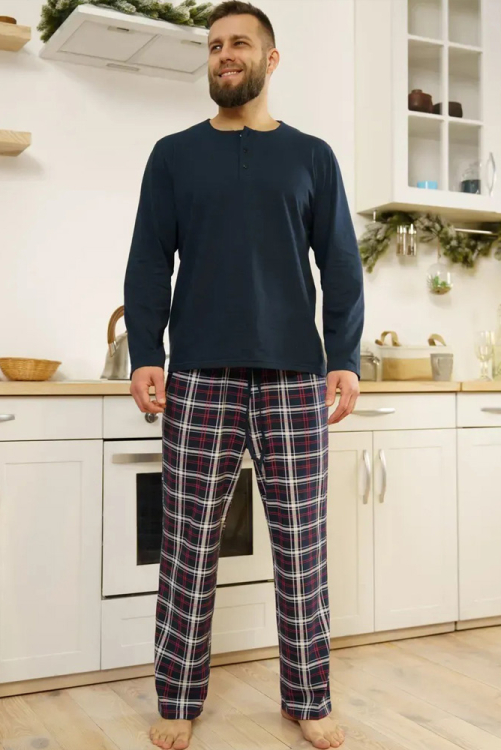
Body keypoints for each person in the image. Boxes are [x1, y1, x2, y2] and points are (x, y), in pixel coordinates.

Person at [124, 2, 364, 747]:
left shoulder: (312, 156)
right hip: (198, 376)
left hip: (294, 377)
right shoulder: (172, 155)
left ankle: (308, 696)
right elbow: (147, 261)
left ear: (270, 58)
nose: (225, 54)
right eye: (214, 45)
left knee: (302, 549)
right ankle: (177, 696)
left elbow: (342, 265)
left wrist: (345, 357)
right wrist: (146, 351)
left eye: (239, 43)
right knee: (187, 550)